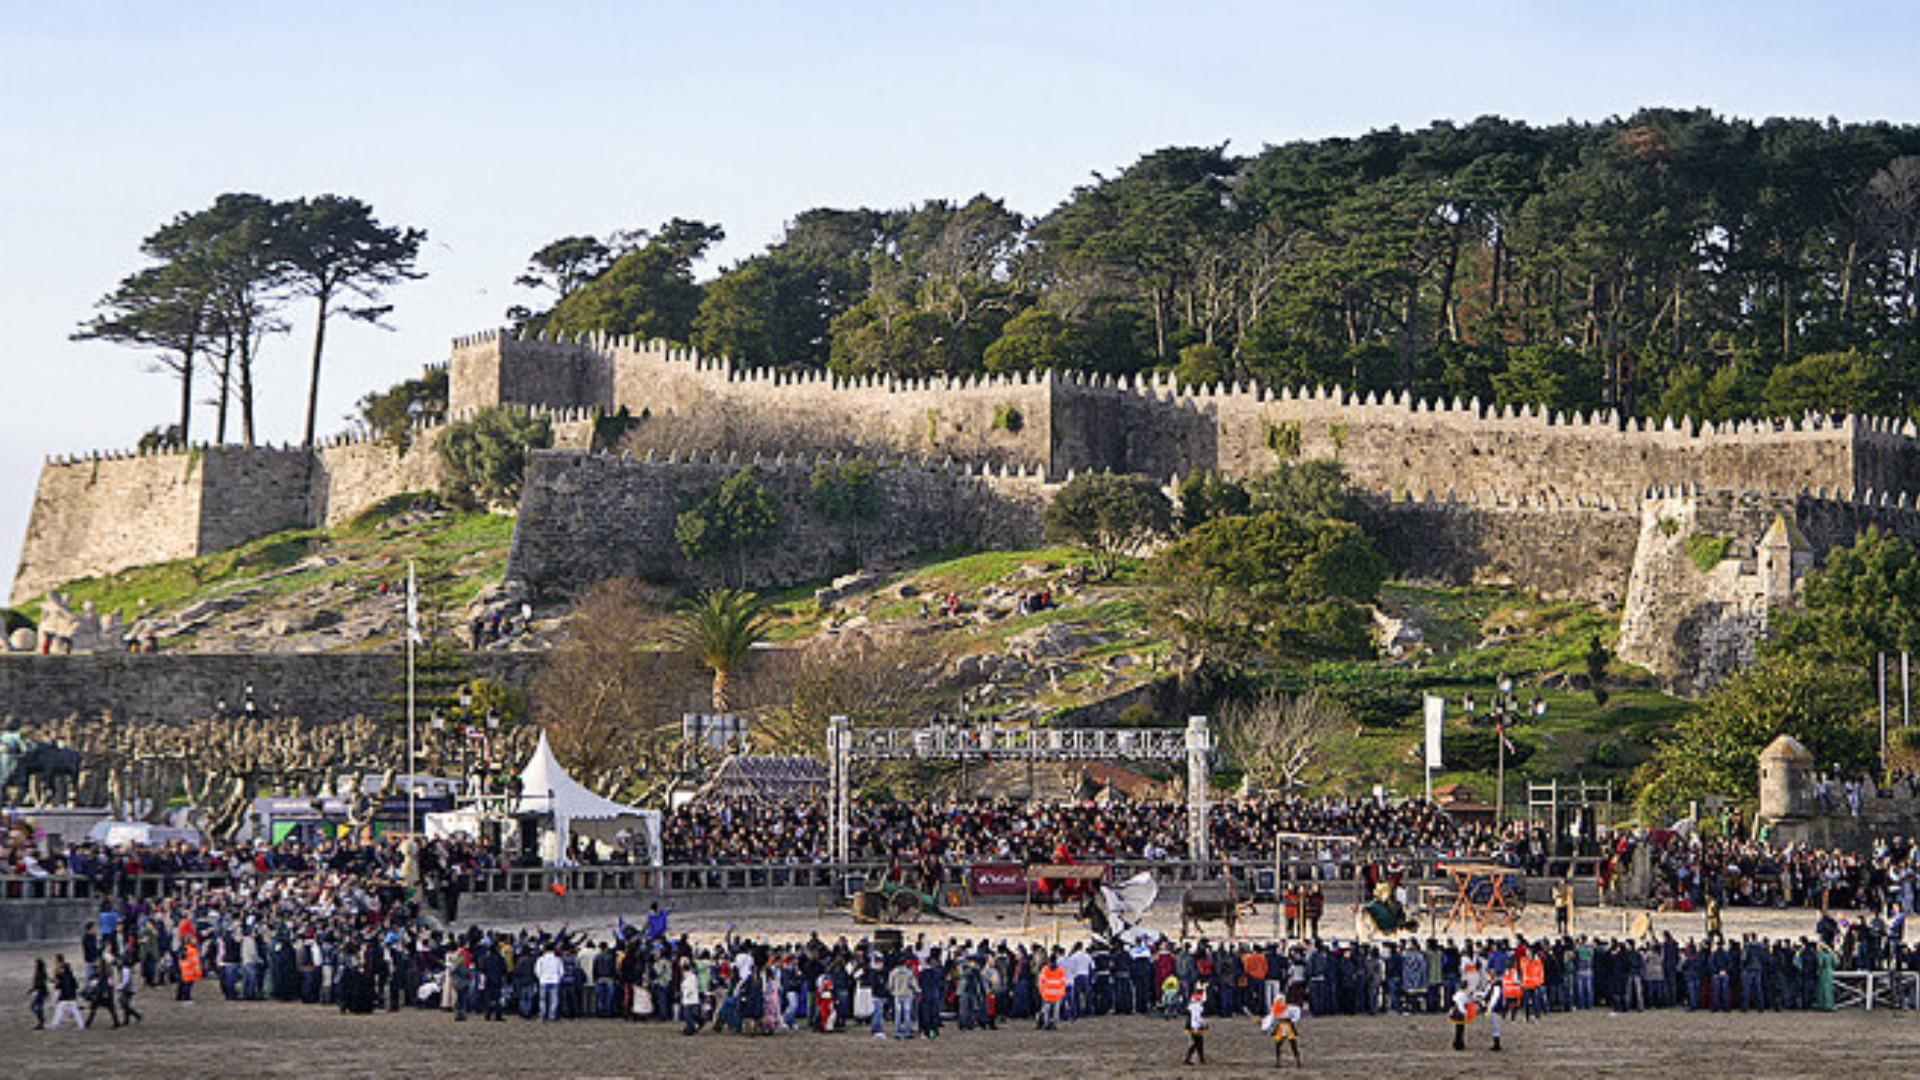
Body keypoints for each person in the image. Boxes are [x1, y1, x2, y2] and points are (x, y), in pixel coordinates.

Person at [1265, 996, 1303, 1068]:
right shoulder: (1275, 1009)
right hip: (1281, 1027)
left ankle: (1297, 1061)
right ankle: (1278, 1062)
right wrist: (1265, 1026)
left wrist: (1293, 1020)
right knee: (1278, 1045)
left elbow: (1297, 1012)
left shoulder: (1289, 1008)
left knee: (1293, 1045)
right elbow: (1270, 1019)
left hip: (1288, 1026)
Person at [49, 956, 84, 1030]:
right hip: (71, 994)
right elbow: (73, 984)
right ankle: (81, 1025)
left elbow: (61, 984)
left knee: (60, 1009)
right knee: (74, 1010)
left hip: (66, 995)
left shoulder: (63, 974)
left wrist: (57, 983)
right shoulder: (69, 973)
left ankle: (54, 1024)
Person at [1183, 988, 1208, 1065]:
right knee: (1198, 1042)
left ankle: (1201, 1058)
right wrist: (1203, 1024)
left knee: (1198, 1042)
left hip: (1191, 1025)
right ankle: (1190, 1058)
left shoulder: (1192, 1005)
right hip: (1195, 1026)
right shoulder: (1198, 1006)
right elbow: (1197, 1018)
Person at [28, 957, 48, 1030]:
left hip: (42, 992)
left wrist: (32, 989)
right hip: (41, 992)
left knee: (35, 1006)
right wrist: (32, 990)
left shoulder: (40, 973)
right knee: (36, 1007)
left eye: (36, 963)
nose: (34, 965)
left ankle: (41, 1021)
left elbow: (39, 984)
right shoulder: (40, 972)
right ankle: (41, 1021)